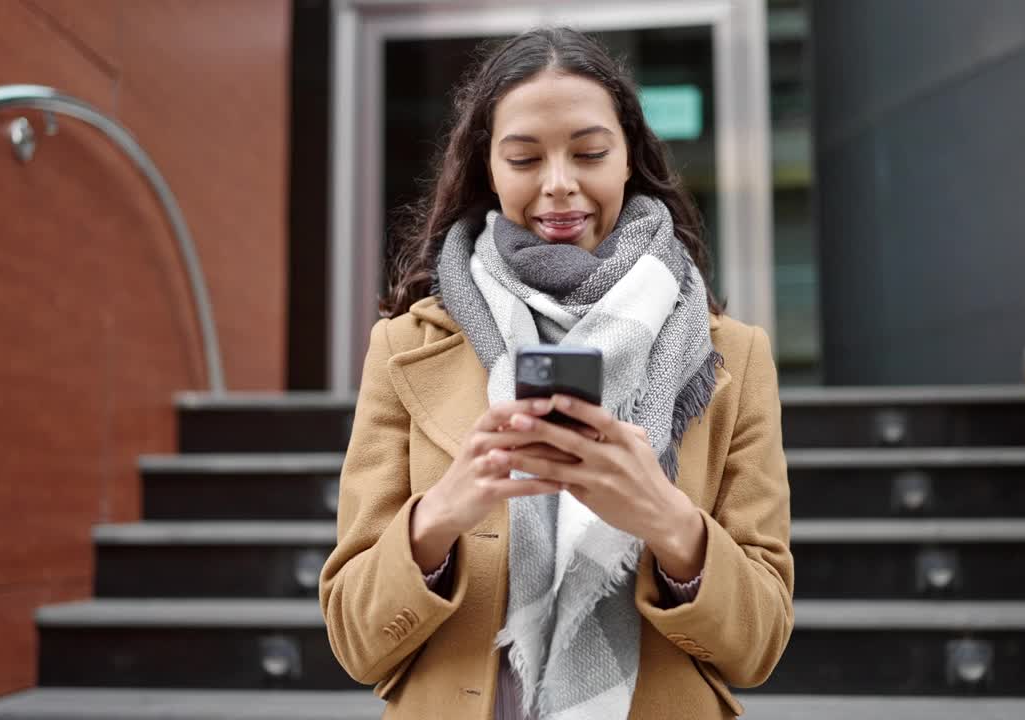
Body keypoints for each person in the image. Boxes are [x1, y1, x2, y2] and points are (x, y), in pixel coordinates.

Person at [319, 27, 793, 720]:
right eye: (524, 158)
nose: (559, 185)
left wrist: (667, 522)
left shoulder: (732, 357)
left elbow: (760, 647)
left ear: (629, 156)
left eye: (590, 152)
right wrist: (442, 514)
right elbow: (355, 643)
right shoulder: (402, 349)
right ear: (489, 168)